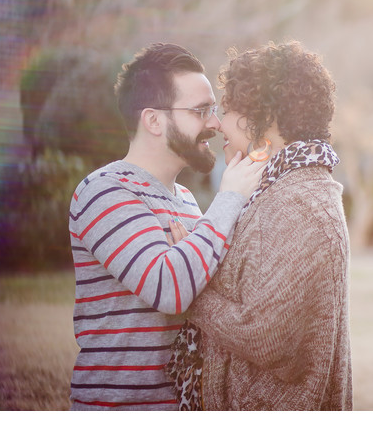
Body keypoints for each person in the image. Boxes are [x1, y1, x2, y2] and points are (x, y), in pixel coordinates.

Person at [68, 43, 264, 410]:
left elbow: (203, 285)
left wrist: (190, 252)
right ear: (154, 120)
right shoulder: (104, 191)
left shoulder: (187, 201)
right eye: (200, 110)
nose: (215, 123)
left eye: (214, 110)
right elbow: (171, 289)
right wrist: (230, 197)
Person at [165, 40, 353, 410]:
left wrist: (189, 289)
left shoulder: (300, 207)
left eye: (229, 108)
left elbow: (266, 337)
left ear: (266, 119)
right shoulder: (279, 190)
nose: (217, 123)